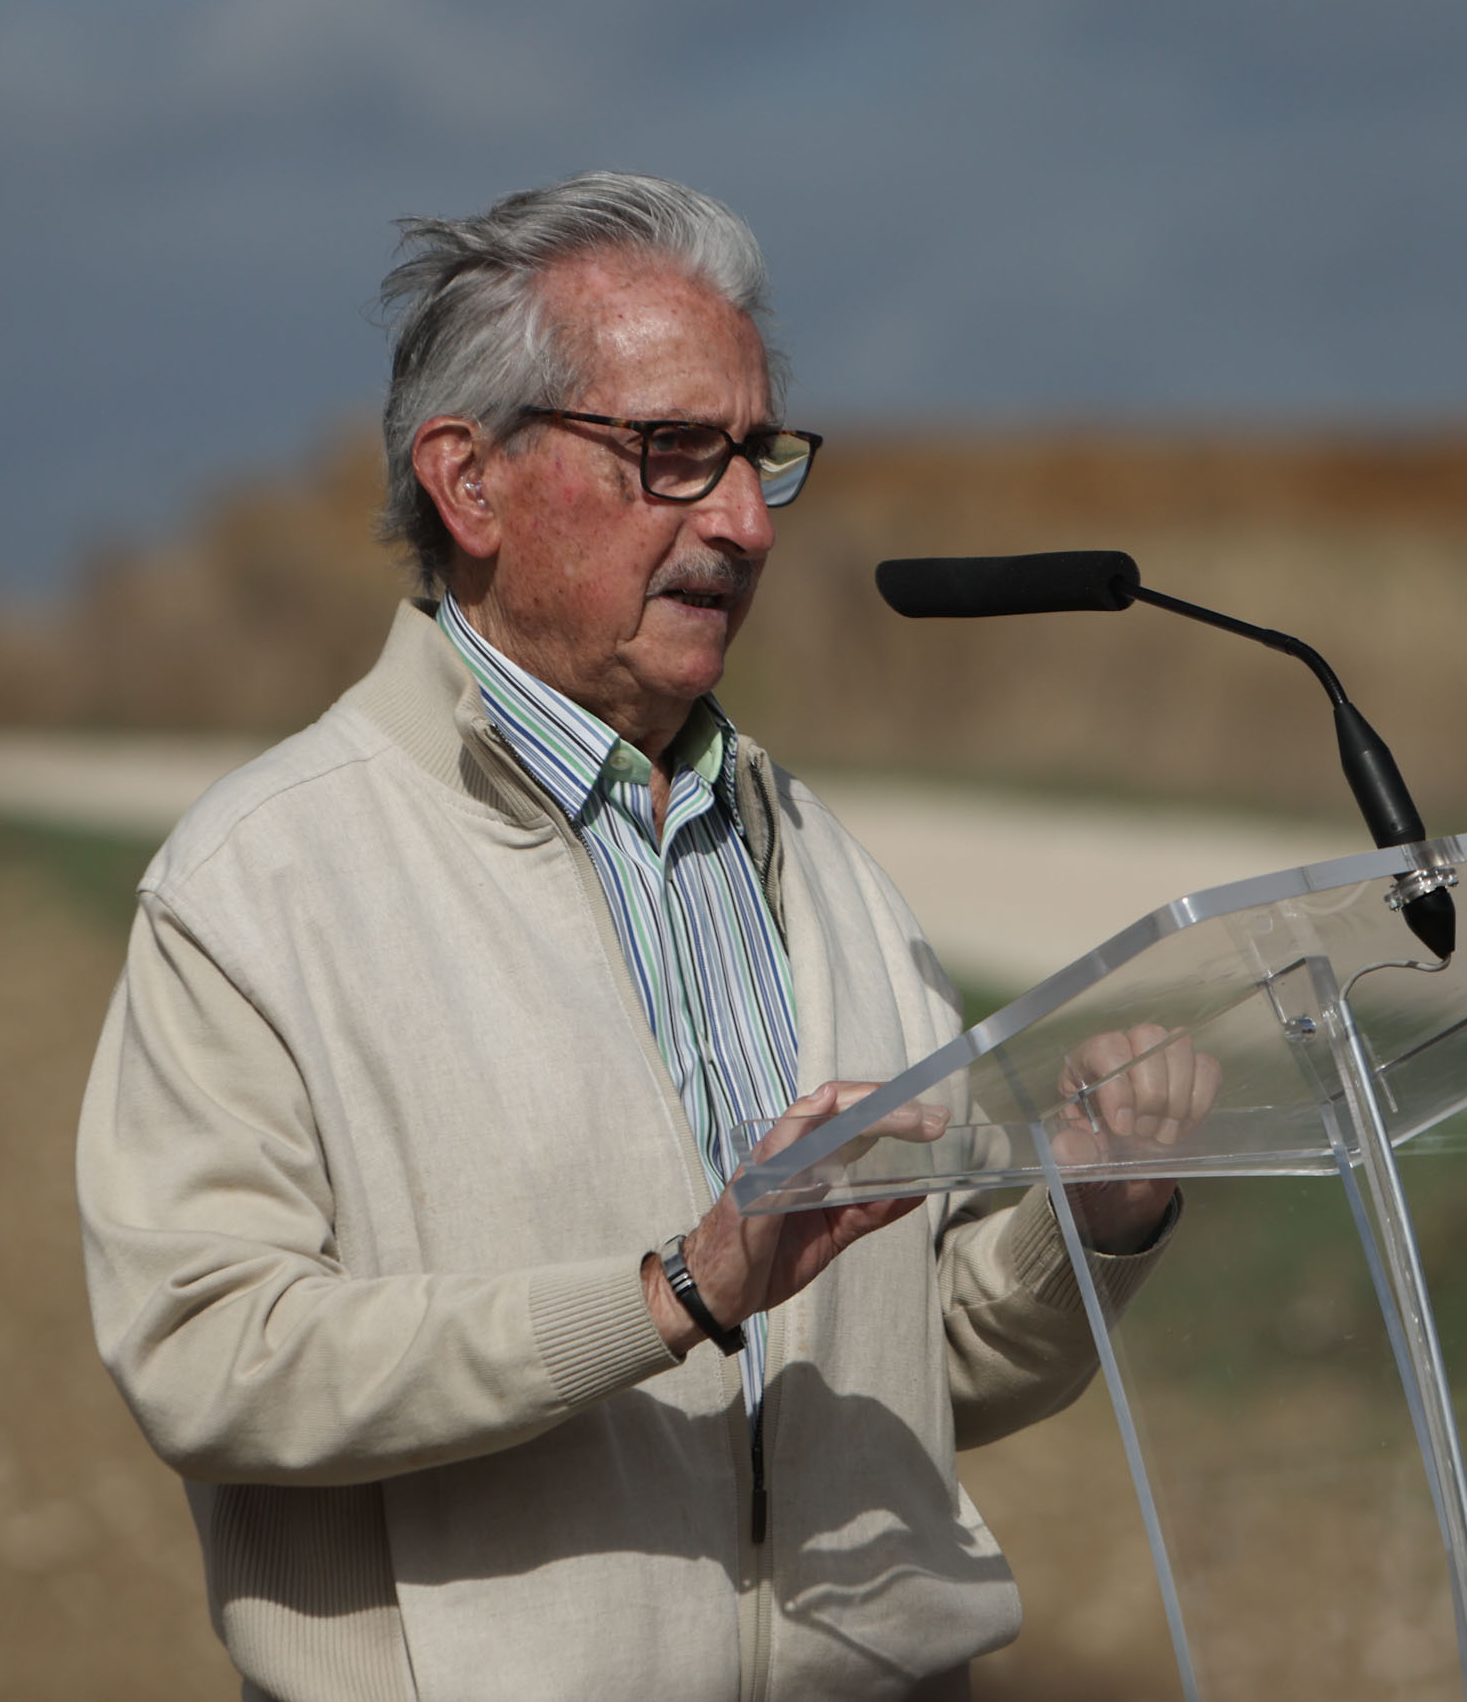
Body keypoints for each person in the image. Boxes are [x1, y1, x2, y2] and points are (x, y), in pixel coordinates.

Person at [77, 173, 1214, 1702]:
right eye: (673, 454)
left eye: (757, 457)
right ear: (469, 483)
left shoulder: (825, 867)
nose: (741, 521)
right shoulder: (259, 883)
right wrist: (673, 1294)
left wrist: (1095, 1214)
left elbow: (917, 1363)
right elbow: (209, 1359)